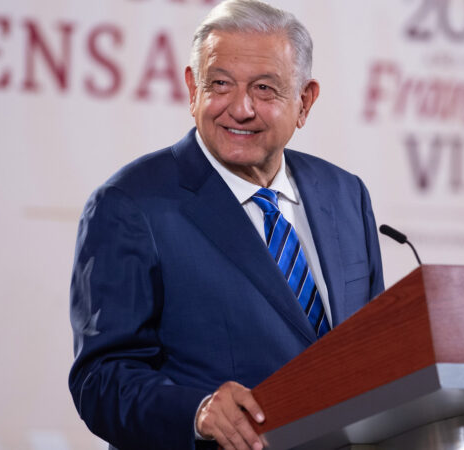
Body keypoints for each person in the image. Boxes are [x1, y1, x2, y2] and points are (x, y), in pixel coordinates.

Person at [68, 1, 384, 449]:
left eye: (264, 88)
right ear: (192, 89)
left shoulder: (345, 194)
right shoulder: (129, 204)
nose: (240, 108)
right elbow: (100, 380)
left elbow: (374, 349)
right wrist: (197, 412)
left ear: (304, 101)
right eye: (219, 84)